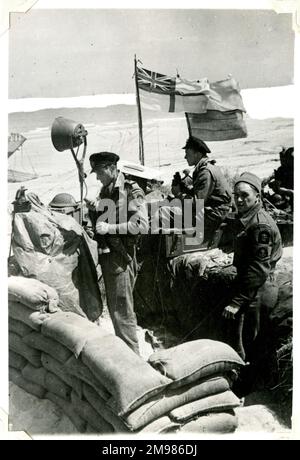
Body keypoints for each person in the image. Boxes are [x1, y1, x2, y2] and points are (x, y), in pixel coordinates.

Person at [86, 151, 149, 355]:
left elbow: (141, 225)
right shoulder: (107, 189)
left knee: (122, 310)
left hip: (122, 256)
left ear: (111, 169)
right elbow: (109, 216)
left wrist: (109, 229)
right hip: (110, 256)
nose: (97, 177)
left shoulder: (131, 190)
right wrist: (96, 209)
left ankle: (133, 358)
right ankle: (126, 354)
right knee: (116, 309)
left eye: (99, 172)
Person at [222, 172, 282, 369]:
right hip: (251, 286)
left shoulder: (260, 225)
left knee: (249, 341)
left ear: (257, 196)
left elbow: (258, 269)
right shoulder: (249, 218)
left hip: (257, 289)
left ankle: (247, 384)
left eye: (244, 195)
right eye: (235, 195)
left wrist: (237, 301)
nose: (239, 200)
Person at [182, 136, 232, 246]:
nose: (185, 157)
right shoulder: (205, 168)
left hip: (215, 214)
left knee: (172, 215)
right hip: (215, 210)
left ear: (197, 154)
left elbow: (198, 203)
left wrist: (180, 195)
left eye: (187, 153)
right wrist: (184, 189)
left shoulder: (205, 171)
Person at [262, 147, 294, 211]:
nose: (282, 161)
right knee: (277, 198)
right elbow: (273, 179)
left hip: (288, 193)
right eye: (281, 159)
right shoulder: (281, 169)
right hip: (284, 194)